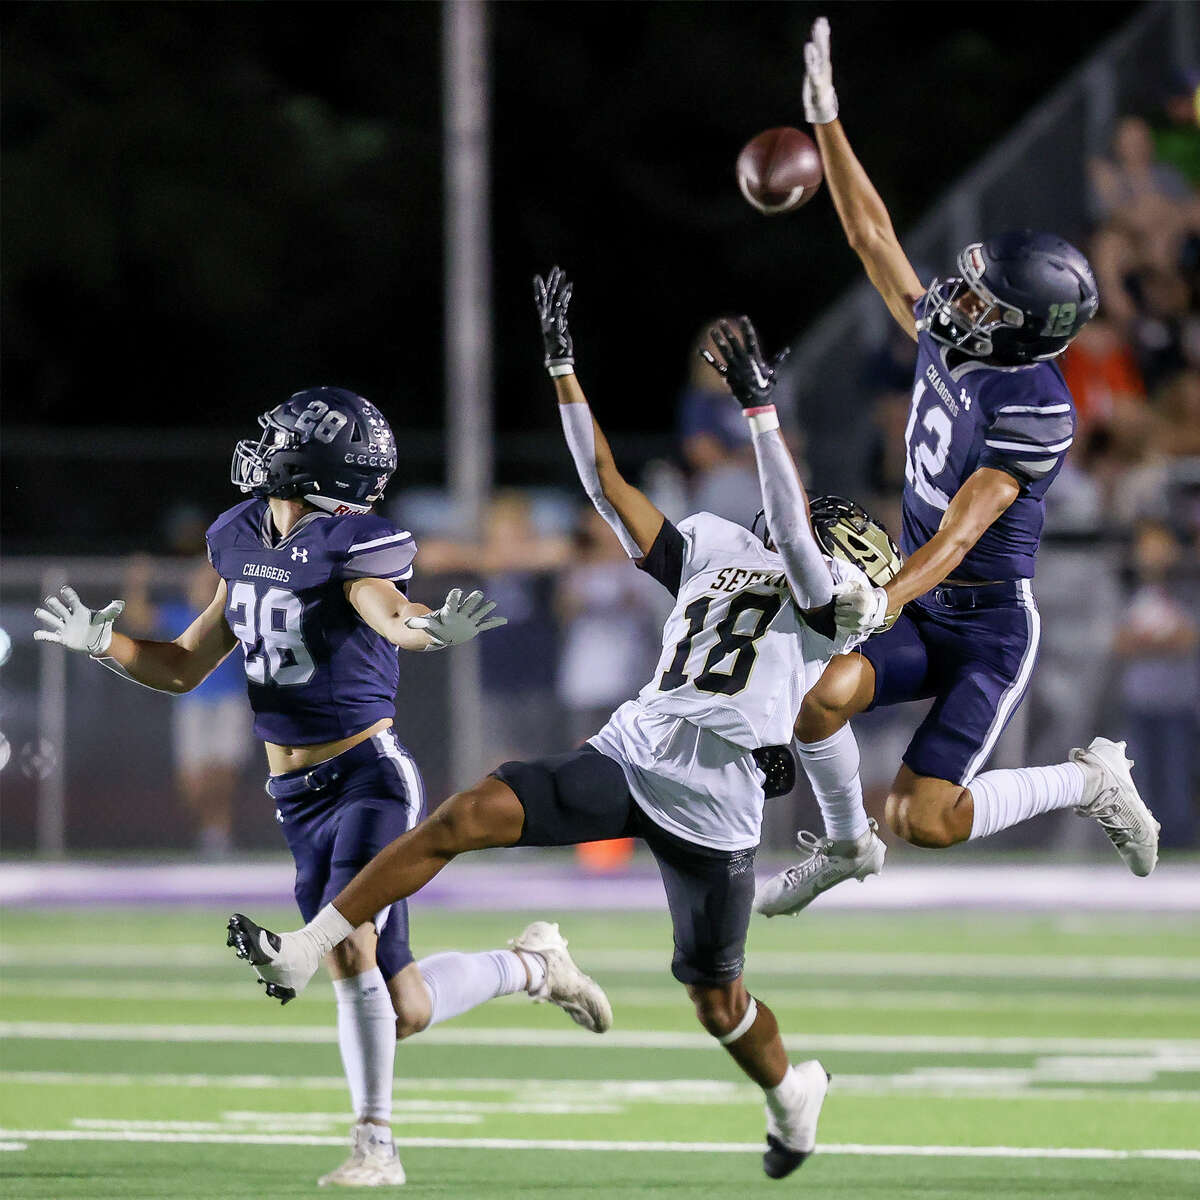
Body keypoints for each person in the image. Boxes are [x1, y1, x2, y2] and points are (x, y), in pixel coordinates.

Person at [223, 270, 905, 1180]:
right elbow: (605, 483)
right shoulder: (718, 544)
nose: (813, 536)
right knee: (468, 812)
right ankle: (311, 943)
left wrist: (760, 413)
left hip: (718, 803)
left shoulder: (831, 608)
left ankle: (790, 1094)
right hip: (635, 751)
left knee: (715, 999)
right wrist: (562, 366)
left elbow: (792, 518)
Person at [33, 385, 611, 1189]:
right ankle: (531, 965)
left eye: (281, 439)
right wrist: (103, 643)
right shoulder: (239, 537)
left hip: (370, 780)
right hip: (295, 801)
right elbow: (183, 663)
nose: (263, 448)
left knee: (344, 951)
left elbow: (389, 610)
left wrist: (428, 629)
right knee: (401, 1005)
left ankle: (375, 1145)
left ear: (314, 462)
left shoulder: (352, 544)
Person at [753, 18, 1160, 919]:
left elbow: (963, 530)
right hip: (918, 598)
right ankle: (844, 847)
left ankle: (1087, 784)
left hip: (983, 627)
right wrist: (826, 119)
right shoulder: (952, 333)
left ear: (1022, 329)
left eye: (983, 298)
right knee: (817, 702)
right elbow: (872, 236)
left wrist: (882, 599)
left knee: (926, 818)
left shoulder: (1037, 407)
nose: (958, 298)